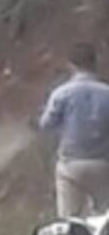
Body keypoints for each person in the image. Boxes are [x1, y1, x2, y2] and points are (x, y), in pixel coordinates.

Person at [39, 42, 109, 218]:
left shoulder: (61, 93)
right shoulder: (106, 93)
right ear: (95, 63)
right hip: (102, 162)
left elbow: (46, 124)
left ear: (71, 65)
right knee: (104, 216)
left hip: (71, 163)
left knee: (69, 218)